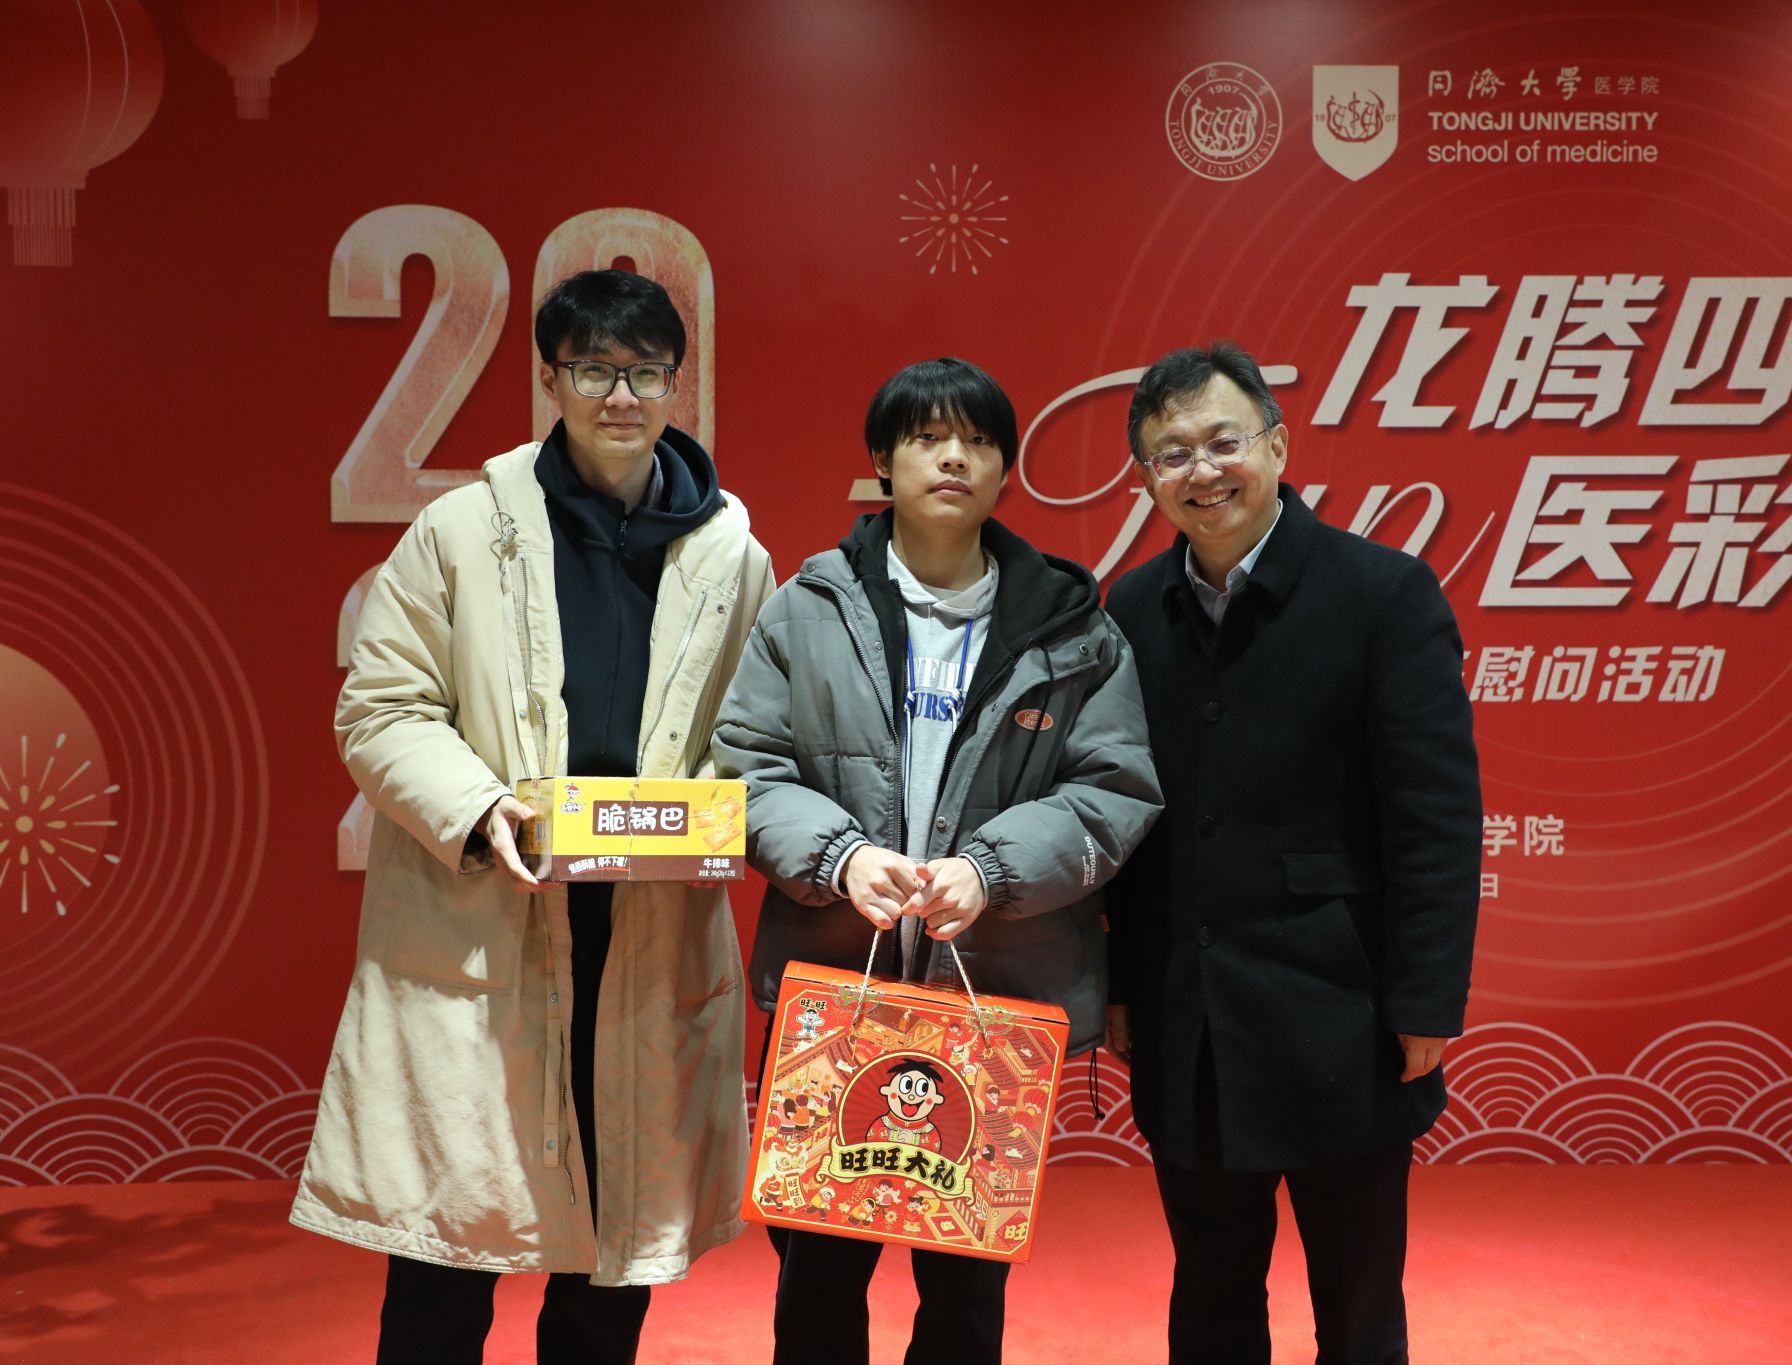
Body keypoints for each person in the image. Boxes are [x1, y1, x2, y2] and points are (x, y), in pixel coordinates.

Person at [293, 269, 776, 1364]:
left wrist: (712, 813)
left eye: (645, 372)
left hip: (643, 925)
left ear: (677, 382)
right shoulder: (462, 530)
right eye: (595, 371)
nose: (621, 397)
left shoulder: (732, 555)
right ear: (550, 378)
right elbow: (381, 707)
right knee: (444, 1248)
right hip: (484, 915)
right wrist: (479, 807)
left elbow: (756, 728)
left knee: (616, 1245)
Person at [713, 356, 1161, 1365]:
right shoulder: (807, 605)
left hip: (991, 998)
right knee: (816, 1264)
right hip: (838, 986)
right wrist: (838, 856)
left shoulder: (1074, 625)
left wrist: (992, 870)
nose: (953, 458)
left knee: (965, 1278)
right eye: (926, 438)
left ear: (1005, 466)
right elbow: (743, 768)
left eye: (977, 440)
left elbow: (1114, 789)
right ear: (882, 460)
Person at [1103, 342, 1481, 1365]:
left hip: (1342, 1013)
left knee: (1357, 1304)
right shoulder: (1131, 609)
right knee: (1210, 1287)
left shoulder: (1383, 593)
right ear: (1147, 477)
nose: (1202, 471)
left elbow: (1436, 820)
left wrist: (1425, 1001)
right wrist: (1123, 985)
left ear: (1276, 445)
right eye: (1172, 453)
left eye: (1223, 441)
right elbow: (1126, 822)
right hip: (1190, 1021)